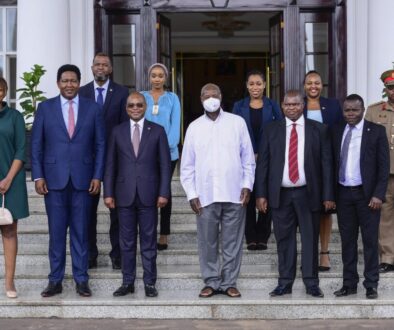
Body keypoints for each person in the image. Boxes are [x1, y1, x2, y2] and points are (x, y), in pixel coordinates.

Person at [31, 64, 105, 297]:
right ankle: (55, 280)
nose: (69, 85)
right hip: (53, 181)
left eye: (73, 81)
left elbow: (100, 145)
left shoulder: (93, 108)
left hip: (84, 180)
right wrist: (39, 175)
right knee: (56, 233)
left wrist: (97, 175)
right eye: (65, 81)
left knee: (81, 233)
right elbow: (36, 144)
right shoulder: (45, 107)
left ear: (79, 82)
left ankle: (81, 279)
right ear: (58, 83)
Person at [256, 90, 334, 298]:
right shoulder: (271, 129)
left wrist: (328, 195)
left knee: (310, 239)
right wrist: (261, 194)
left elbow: (327, 165)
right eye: (287, 104)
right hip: (280, 195)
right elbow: (263, 164)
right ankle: (285, 283)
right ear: (282, 106)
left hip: (309, 194)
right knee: (284, 240)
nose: (291, 108)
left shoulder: (319, 130)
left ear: (303, 105)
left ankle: (311, 283)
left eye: (295, 104)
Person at [180, 83, 255, 298]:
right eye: (206, 94)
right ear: (200, 99)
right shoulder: (194, 127)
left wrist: (247, 185)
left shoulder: (237, 123)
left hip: (235, 193)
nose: (210, 97)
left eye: (214, 94)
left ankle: (229, 281)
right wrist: (192, 194)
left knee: (233, 241)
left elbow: (248, 160)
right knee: (207, 242)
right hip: (205, 196)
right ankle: (211, 281)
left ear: (221, 97)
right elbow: (187, 166)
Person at [103, 92, 171, 298]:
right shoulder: (117, 131)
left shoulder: (157, 131)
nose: (135, 108)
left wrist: (163, 192)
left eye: (139, 105)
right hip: (123, 195)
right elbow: (110, 165)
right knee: (126, 241)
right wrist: (108, 193)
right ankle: (127, 282)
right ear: (126, 108)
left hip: (149, 195)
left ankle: (150, 283)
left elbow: (165, 166)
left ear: (145, 107)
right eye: (131, 105)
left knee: (149, 241)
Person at [332, 94, 389, 299]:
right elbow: (331, 164)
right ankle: (349, 284)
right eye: (347, 110)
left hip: (368, 197)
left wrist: (378, 195)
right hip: (344, 194)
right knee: (347, 242)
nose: (350, 114)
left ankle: (371, 284)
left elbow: (384, 168)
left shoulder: (376, 132)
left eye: (355, 110)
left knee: (370, 242)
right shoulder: (337, 130)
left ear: (363, 110)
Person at [79, 52, 129, 270]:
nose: (100, 67)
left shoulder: (121, 92)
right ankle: (90, 255)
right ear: (92, 68)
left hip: (114, 161)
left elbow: (124, 127)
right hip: (86, 162)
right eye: (97, 64)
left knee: (116, 212)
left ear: (110, 69)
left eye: (105, 65)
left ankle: (117, 254)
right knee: (87, 212)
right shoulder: (81, 93)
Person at [233, 69, 282, 251]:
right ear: (246, 85)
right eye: (251, 83)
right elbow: (233, 132)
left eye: (259, 83)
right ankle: (250, 236)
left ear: (264, 85)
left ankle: (262, 236)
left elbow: (280, 131)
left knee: (265, 196)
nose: (255, 87)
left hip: (267, 159)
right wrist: (248, 153)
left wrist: (264, 152)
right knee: (247, 196)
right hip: (244, 160)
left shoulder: (273, 105)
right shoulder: (239, 106)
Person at [303, 70, 343, 272]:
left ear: (322, 85)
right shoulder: (297, 104)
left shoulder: (333, 105)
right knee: (306, 210)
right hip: (302, 164)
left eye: (317, 82)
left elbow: (339, 132)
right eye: (309, 82)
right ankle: (308, 254)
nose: (313, 86)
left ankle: (324, 253)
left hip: (327, 163)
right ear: (304, 86)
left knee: (326, 210)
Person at [141, 63, 181, 250]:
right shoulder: (141, 97)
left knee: (165, 191)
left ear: (166, 78)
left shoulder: (173, 98)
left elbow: (175, 126)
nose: (157, 79)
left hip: (168, 152)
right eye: (154, 76)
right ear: (149, 77)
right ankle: (148, 231)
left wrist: (166, 147)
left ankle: (164, 233)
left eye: (160, 76)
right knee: (146, 191)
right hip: (144, 152)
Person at [0, 77, 29, 298]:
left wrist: (8, 179)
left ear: (4, 92)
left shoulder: (15, 117)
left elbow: (21, 150)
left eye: (0, 89)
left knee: (9, 231)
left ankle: (10, 283)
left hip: (10, 182)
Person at [365, 69, 394, 274]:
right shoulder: (374, 111)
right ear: (386, 89)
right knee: (385, 217)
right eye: (391, 87)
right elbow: (367, 145)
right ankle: (388, 257)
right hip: (385, 175)